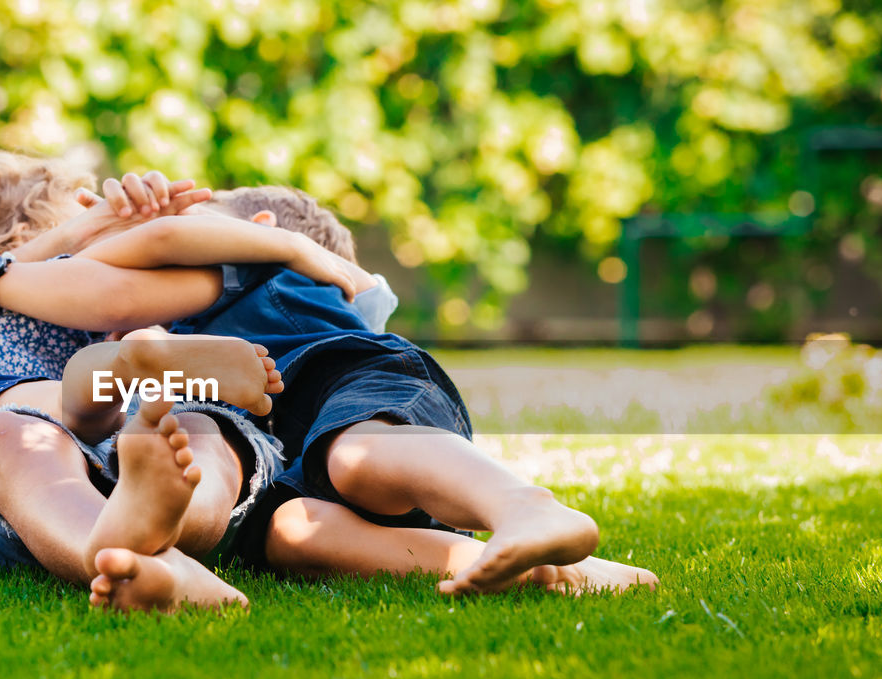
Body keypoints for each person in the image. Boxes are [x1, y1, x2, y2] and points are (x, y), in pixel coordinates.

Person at [0, 154, 359, 606]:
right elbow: (133, 262)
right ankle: (134, 388)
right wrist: (89, 236)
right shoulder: (14, 283)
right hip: (25, 404)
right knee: (91, 423)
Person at [84, 186, 659, 601]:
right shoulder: (184, 322)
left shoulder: (277, 273)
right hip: (289, 457)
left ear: (258, 232)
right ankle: (537, 571)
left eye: (199, 214)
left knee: (357, 457)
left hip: (348, 382)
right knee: (293, 534)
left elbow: (147, 250)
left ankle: (523, 505)